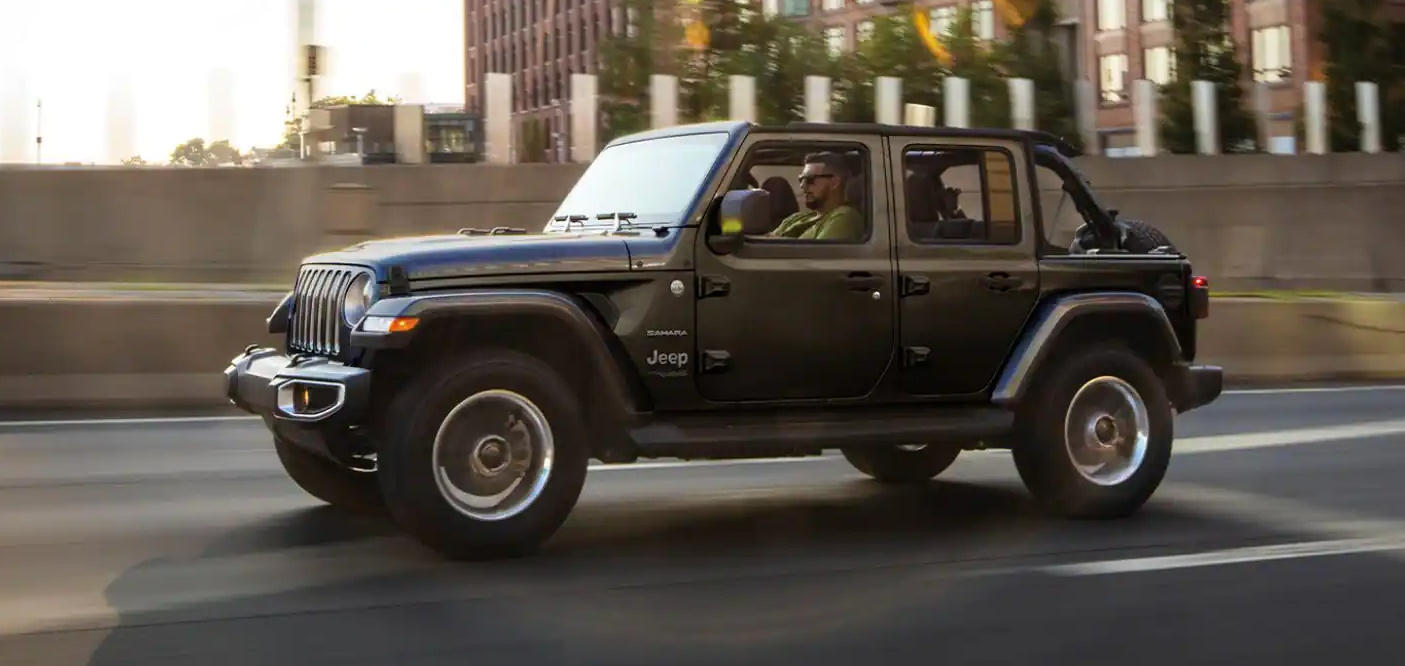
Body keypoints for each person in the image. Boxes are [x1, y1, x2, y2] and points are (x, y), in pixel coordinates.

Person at [766, 152, 864, 241]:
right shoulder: (797, 218)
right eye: (801, 179)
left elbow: (816, 256)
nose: (802, 186)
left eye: (810, 179)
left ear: (834, 183)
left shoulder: (845, 217)